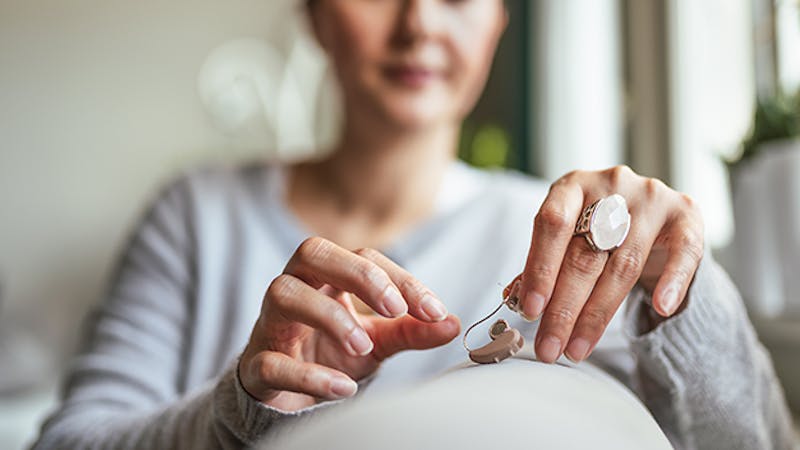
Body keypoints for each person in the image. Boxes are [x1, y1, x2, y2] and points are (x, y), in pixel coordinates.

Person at [34, 1, 795, 449]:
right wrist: (241, 408)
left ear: (500, 18)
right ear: (313, 13)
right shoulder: (196, 217)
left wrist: (681, 290)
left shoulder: (572, 247)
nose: (419, 22)